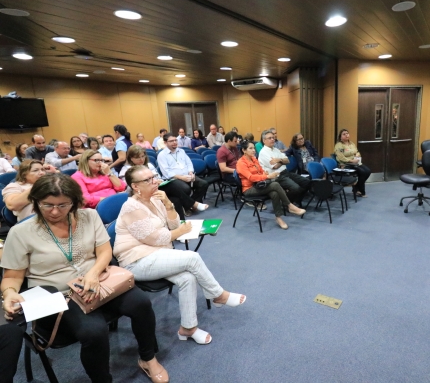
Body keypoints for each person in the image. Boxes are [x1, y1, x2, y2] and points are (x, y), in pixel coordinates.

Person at [0, 173, 169, 383]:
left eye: (62, 205)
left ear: (74, 202)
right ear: (35, 202)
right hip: (60, 294)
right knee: (94, 332)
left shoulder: (89, 216)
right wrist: (9, 293)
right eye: (47, 205)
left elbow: (105, 251)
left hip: (98, 281)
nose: (54, 211)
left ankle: (148, 358)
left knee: (141, 303)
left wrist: (93, 273)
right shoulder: (21, 232)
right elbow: (12, 276)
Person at [114, 165, 246, 345]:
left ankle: (188, 328)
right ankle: (217, 295)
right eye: (148, 180)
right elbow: (157, 239)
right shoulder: (131, 207)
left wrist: (168, 205)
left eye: (154, 177)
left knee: (187, 278)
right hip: (136, 261)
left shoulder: (155, 198)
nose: (155, 181)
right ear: (135, 186)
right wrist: (180, 230)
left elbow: (174, 225)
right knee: (192, 258)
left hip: (157, 254)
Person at [236, 141, 306, 230]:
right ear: (244, 150)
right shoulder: (241, 163)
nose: (254, 150)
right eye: (251, 148)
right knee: (275, 184)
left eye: (254, 148)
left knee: (274, 193)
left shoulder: (253, 159)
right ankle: (289, 205)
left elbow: (261, 171)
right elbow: (251, 177)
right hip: (249, 189)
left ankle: (278, 218)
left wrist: (265, 173)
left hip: (259, 185)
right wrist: (267, 176)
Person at [119, 145, 186, 220]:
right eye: (138, 157)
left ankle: (181, 223)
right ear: (131, 158)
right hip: (141, 194)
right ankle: (192, 204)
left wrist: (159, 181)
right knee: (173, 185)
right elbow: (129, 189)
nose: (141, 159)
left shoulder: (149, 165)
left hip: (155, 189)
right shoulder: (127, 171)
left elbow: (159, 178)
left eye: (143, 156)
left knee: (175, 199)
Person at [157, 133, 209, 216]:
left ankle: (189, 205)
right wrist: (182, 177)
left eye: (175, 140)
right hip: (173, 179)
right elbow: (167, 173)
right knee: (185, 188)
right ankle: (190, 205)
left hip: (187, 175)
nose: (174, 142)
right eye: (171, 141)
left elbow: (189, 163)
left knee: (203, 184)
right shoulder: (162, 155)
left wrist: (190, 172)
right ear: (165, 143)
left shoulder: (181, 151)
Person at [258, 130, 310, 205]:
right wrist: (282, 161)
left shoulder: (276, 150)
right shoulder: (263, 153)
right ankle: (286, 203)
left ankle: (294, 200)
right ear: (264, 140)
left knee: (307, 182)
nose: (272, 139)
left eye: (273, 137)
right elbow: (275, 166)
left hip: (286, 173)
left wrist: (279, 160)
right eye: (270, 138)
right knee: (296, 188)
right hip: (277, 177)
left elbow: (288, 160)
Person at [334, 129, 372, 197]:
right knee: (362, 172)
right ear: (340, 137)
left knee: (368, 171)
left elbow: (357, 151)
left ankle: (356, 187)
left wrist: (357, 155)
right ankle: (361, 191)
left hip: (356, 162)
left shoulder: (352, 144)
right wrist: (351, 161)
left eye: (347, 133)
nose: (346, 135)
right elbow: (341, 157)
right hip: (346, 164)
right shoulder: (339, 145)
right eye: (344, 134)